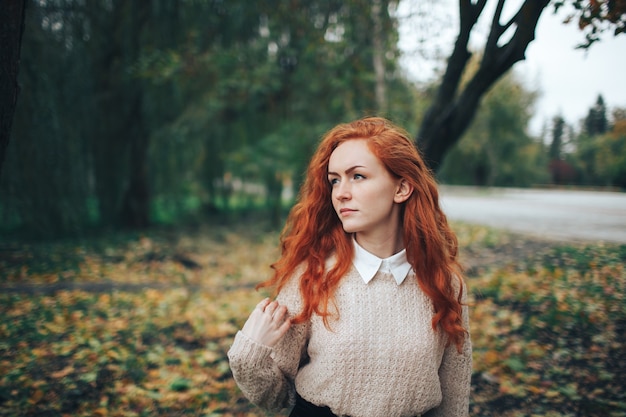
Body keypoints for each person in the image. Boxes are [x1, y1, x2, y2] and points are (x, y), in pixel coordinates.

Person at [227, 116, 472, 417]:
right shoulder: (312, 276)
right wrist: (249, 355)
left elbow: (454, 400)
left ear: (402, 188)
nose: (341, 192)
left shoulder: (444, 284)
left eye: (357, 176)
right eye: (334, 180)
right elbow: (280, 397)